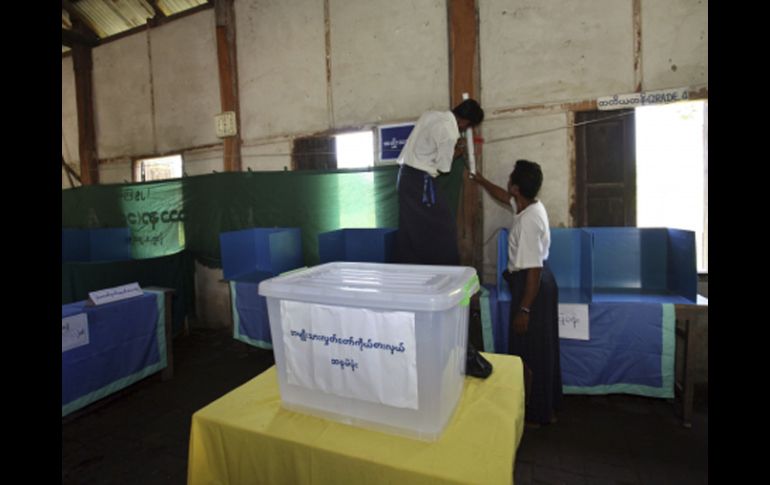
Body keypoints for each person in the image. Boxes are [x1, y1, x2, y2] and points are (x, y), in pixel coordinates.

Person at [470, 160, 562, 426]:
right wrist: (481, 180)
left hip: (532, 289)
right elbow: (503, 196)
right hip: (534, 284)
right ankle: (545, 407)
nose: (508, 185)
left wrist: (524, 309)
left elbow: (532, 270)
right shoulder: (528, 205)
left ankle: (538, 414)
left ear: (517, 187)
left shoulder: (529, 222)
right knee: (537, 349)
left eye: (511, 181)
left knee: (532, 352)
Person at [392, 99, 484, 265]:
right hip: (420, 182)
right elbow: (444, 167)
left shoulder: (431, 114)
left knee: (410, 229)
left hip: (404, 176)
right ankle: (446, 273)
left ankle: (409, 272)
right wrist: (457, 150)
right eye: (468, 126)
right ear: (464, 122)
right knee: (444, 228)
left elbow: (427, 149)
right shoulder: (449, 132)